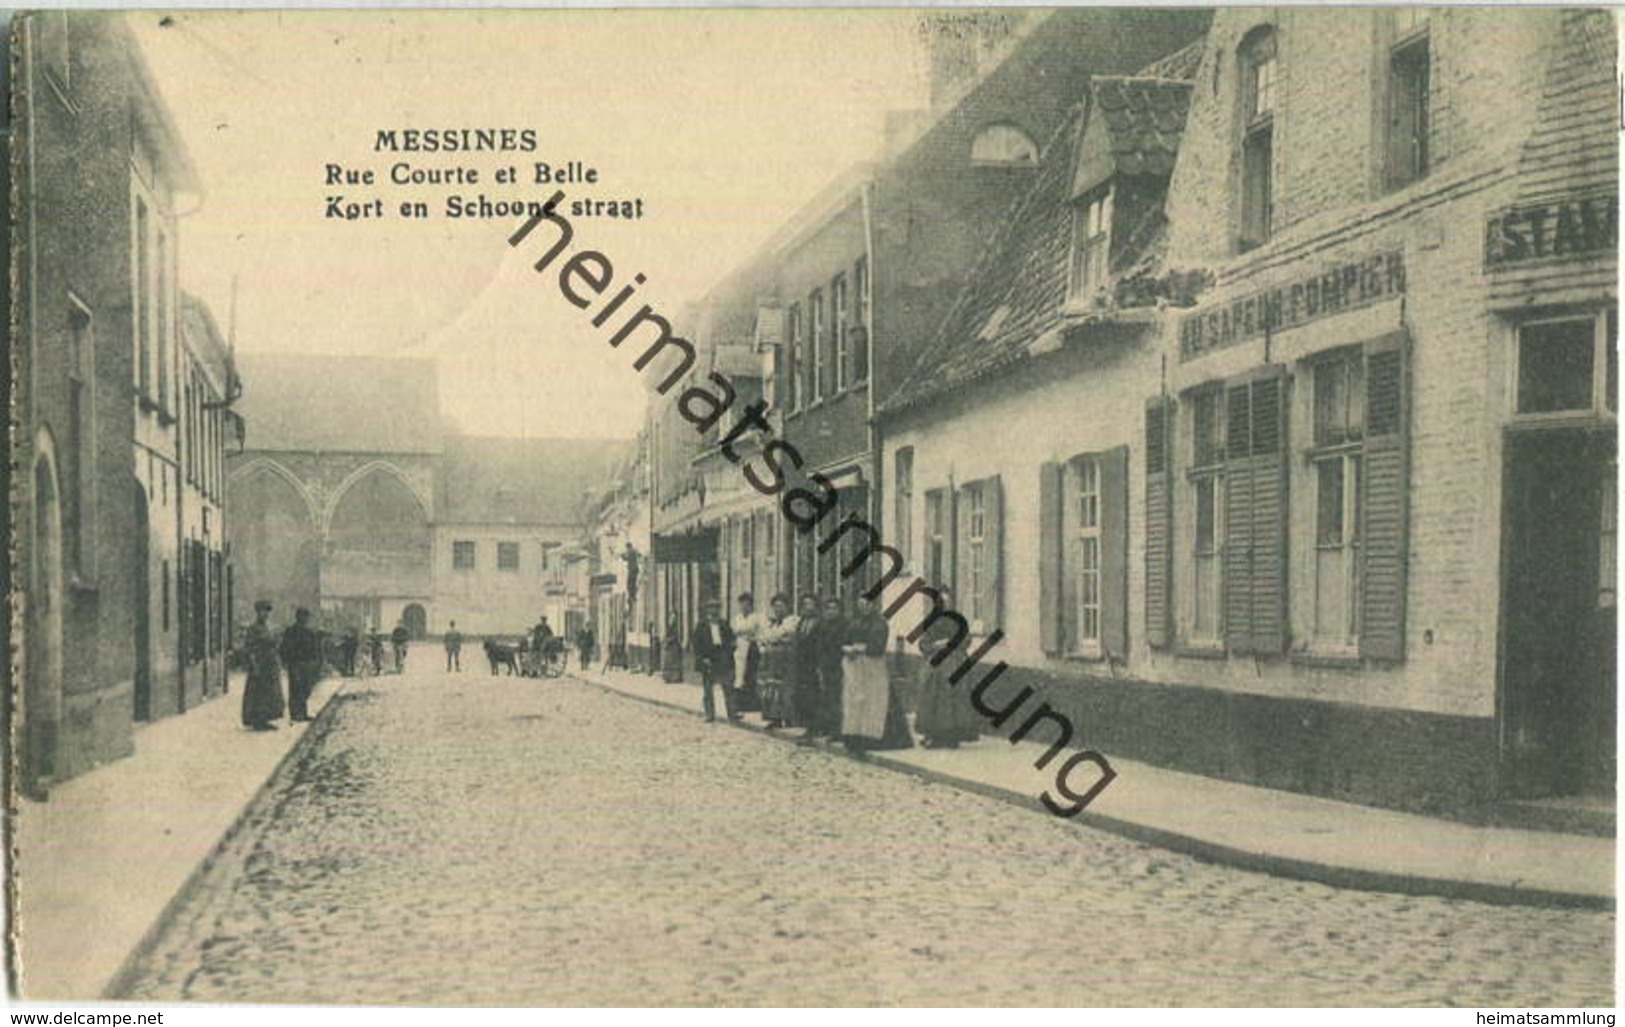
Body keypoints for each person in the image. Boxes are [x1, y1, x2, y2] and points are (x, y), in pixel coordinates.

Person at [840, 594, 914, 752]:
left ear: (873, 605)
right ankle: (856, 736)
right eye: (861, 605)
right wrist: (846, 648)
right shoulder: (854, 622)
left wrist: (859, 649)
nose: (864, 608)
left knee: (875, 701)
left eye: (867, 604)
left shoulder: (879, 623)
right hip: (856, 667)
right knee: (856, 701)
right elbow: (845, 639)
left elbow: (878, 646)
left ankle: (874, 737)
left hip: (873, 666)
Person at [913, 586, 982, 749]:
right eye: (940, 602)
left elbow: (967, 640)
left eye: (946, 601)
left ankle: (953, 735)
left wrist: (952, 643)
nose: (943, 604)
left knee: (954, 697)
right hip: (935, 661)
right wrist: (934, 645)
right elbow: (923, 643)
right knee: (931, 695)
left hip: (955, 660)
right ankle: (933, 734)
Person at [690, 599, 738, 723]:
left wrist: (728, 653)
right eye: (711, 608)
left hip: (722, 657)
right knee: (708, 689)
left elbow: (732, 640)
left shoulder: (724, 624)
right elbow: (696, 644)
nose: (714, 610)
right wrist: (702, 658)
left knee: (728, 687)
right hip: (708, 658)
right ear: (707, 610)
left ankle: (732, 714)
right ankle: (709, 714)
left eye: (716, 608)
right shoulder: (702, 625)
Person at [241, 600, 285, 731]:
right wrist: (253, 665)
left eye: (267, 612)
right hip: (259, 664)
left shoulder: (267, 627)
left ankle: (265, 719)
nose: (265, 614)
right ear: (257, 613)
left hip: (270, 664)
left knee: (269, 693)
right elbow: (249, 648)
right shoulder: (253, 628)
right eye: (262, 612)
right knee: (258, 693)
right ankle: (258, 721)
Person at [757, 594, 799, 729]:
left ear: (787, 607)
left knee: (785, 689)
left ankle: (788, 718)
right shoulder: (773, 623)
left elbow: (780, 635)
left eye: (780, 606)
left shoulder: (792, 621)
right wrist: (772, 639)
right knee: (771, 688)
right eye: (775, 607)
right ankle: (774, 718)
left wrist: (773, 639)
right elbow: (764, 637)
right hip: (772, 660)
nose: (777, 610)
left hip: (786, 659)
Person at [812, 596, 849, 738]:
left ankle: (838, 730)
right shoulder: (822, 625)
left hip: (839, 665)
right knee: (826, 697)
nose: (831, 611)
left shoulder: (844, 625)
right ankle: (826, 727)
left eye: (834, 608)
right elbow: (817, 646)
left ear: (840, 610)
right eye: (828, 608)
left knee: (837, 698)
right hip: (824, 665)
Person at [280, 607, 323, 723]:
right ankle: (295, 713)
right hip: (295, 663)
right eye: (303, 616)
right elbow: (284, 647)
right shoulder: (290, 631)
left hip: (306, 664)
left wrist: (314, 662)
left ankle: (302, 713)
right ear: (298, 617)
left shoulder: (309, 632)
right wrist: (286, 661)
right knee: (295, 688)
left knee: (305, 688)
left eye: (306, 617)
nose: (305, 619)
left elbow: (314, 648)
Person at [790, 594, 823, 733]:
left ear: (816, 606)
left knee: (814, 695)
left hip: (813, 663)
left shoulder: (820, 622)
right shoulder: (801, 622)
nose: (807, 607)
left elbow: (820, 644)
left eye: (810, 604)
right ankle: (806, 723)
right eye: (804, 604)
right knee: (803, 694)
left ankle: (816, 725)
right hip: (801, 663)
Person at [730, 592, 766, 714]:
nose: (744, 607)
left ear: (751, 605)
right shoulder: (737, 618)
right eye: (742, 604)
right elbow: (733, 632)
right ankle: (741, 704)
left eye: (747, 604)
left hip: (752, 647)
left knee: (751, 674)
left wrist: (755, 639)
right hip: (739, 648)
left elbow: (762, 632)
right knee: (739, 674)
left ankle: (753, 704)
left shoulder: (758, 617)